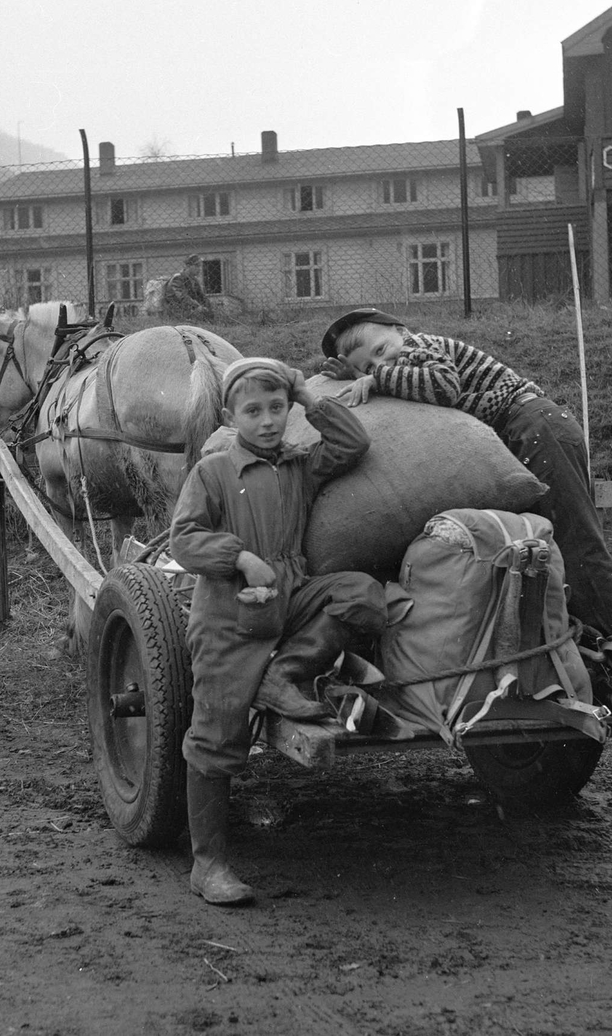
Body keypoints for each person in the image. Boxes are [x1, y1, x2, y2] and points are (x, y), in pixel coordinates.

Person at [169, 357, 387, 906]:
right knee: (216, 736)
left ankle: (286, 673)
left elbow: (353, 442)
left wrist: (308, 396)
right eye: (252, 411)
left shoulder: (299, 466)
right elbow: (184, 540)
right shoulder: (214, 471)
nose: (267, 421)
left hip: (292, 593)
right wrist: (239, 557)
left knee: (361, 594)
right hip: (230, 615)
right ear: (229, 415)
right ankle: (209, 865)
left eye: (276, 409)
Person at [319, 308, 612, 653]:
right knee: (546, 544)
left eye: (381, 349)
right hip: (527, 431)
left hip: (535, 426)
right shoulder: (403, 359)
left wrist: (377, 377)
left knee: (575, 539)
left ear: (401, 331)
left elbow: (444, 387)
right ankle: (595, 649)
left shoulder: (419, 346)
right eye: (368, 365)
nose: (382, 363)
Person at [162, 254, 213, 319]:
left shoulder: (194, 280)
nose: (199, 269)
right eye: (196, 266)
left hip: (189, 309)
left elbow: (201, 296)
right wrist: (197, 306)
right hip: (176, 311)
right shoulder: (178, 278)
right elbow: (181, 297)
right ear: (188, 266)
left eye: (200, 266)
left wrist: (208, 306)